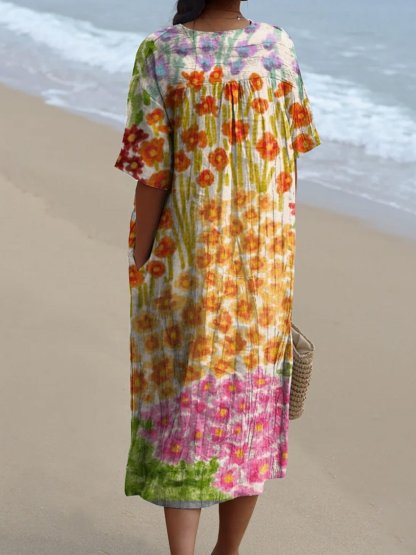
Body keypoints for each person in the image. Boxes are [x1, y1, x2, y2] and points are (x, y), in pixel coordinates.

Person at [113, 0, 321, 553]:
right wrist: (273, 251)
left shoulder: (162, 51)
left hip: (188, 261)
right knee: (247, 407)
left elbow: (151, 171)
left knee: (187, 403)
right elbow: (290, 159)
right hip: (260, 265)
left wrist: (141, 258)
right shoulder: (275, 47)